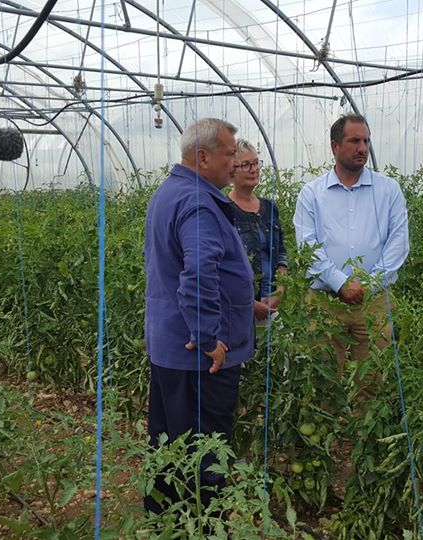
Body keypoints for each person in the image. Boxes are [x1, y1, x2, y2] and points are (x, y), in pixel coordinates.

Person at [143, 118, 254, 512]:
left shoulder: (171, 192)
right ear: (203, 157)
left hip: (171, 346)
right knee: (206, 455)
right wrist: (209, 338)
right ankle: (205, 526)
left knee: (169, 444)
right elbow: (199, 273)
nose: (236, 161)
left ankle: (165, 521)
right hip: (199, 357)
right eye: (229, 153)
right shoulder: (197, 201)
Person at [293, 114, 408, 394]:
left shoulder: (388, 190)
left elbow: (398, 242)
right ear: (334, 147)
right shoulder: (312, 194)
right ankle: (329, 435)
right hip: (325, 302)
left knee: (372, 378)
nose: (363, 148)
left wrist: (368, 285)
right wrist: (341, 283)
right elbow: (307, 246)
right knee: (324, 376)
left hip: (374, 302)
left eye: (366, 140)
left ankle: (360, 435)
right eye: (354, 140)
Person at [228, 139, 287, 322]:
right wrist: (250, 305)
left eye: (256, 163)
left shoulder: (269, 208)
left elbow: (281, 254)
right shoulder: (224, 210)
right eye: (246, 165)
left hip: (271, 305)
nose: (254, 169)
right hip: (238, 308)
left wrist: (280, 290)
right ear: (231, 171)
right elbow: (224, 267)